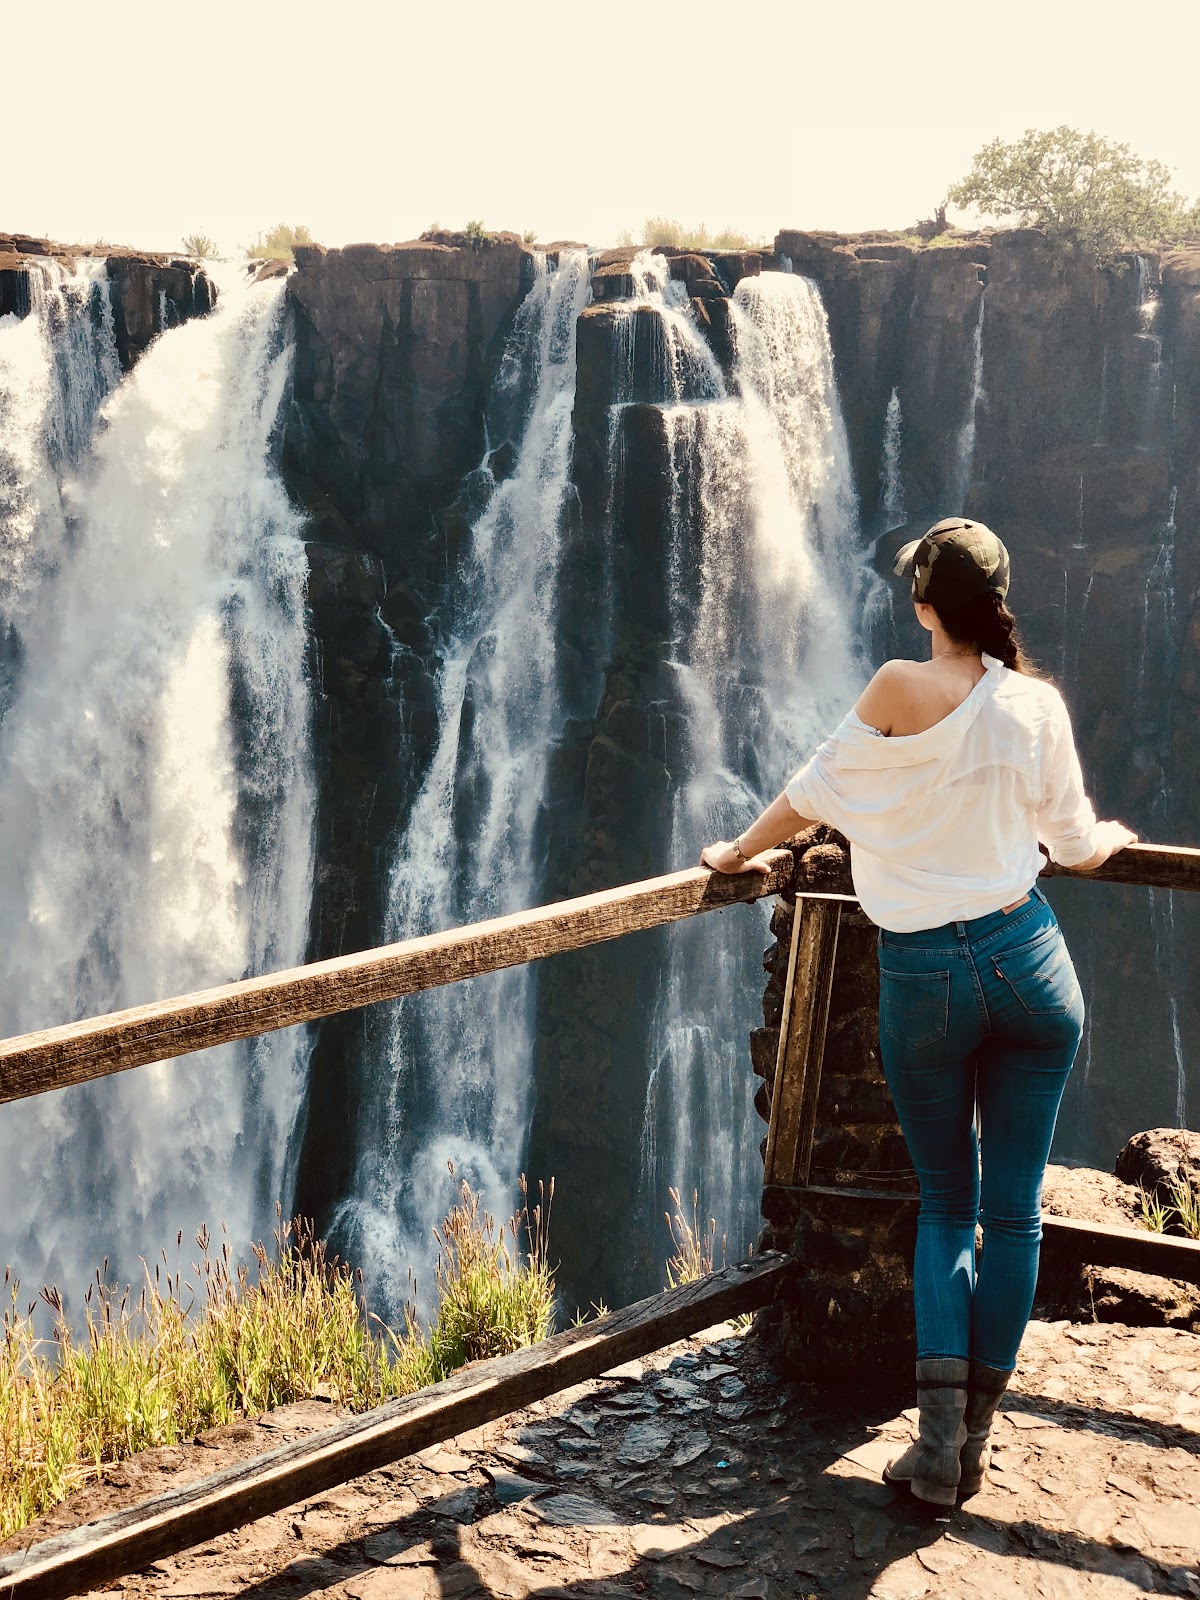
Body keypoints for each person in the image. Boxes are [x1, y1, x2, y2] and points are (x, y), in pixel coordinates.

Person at [700, 518, 1136, 1510]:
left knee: (947, 1206)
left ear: (926, 605)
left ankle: (939, 1455)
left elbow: (812, 794)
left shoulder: (898, 687)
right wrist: (1111, 836)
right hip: (1032, 964)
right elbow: (1072, 839)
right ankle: (975, 1438)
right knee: (1013, 1215)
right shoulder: (1035, 704)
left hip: (927, 978)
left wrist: (733, 852)